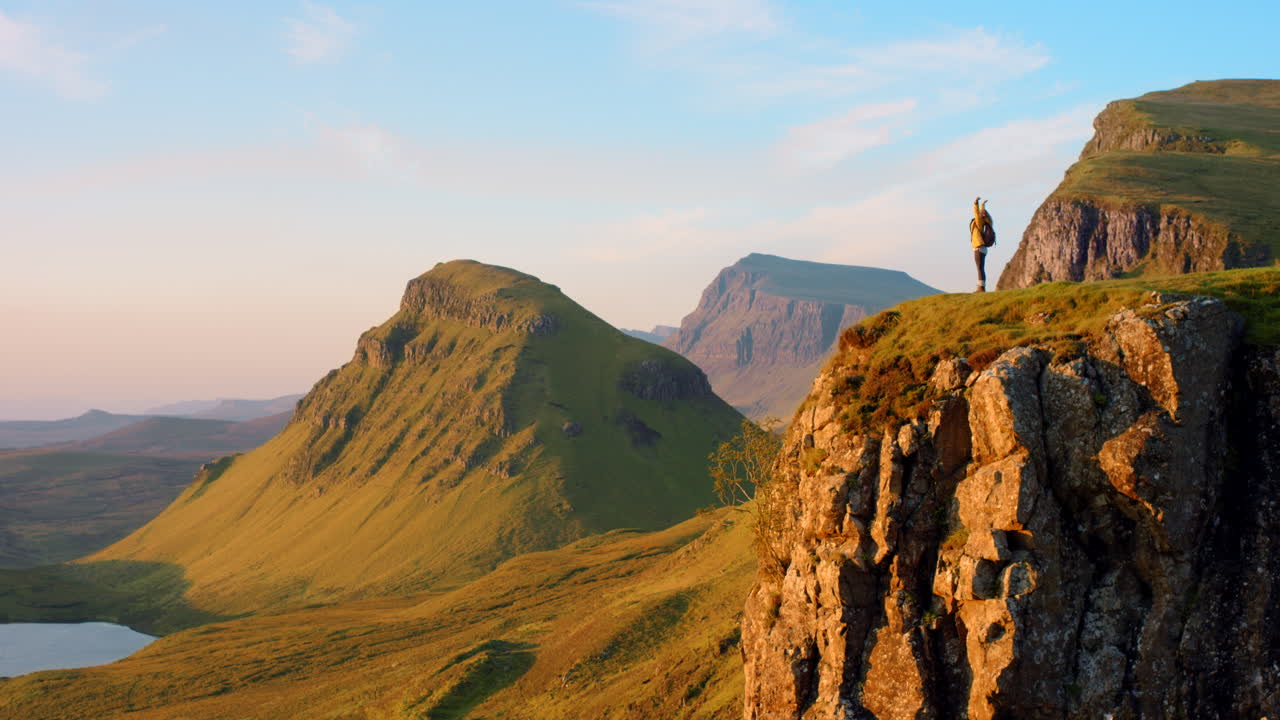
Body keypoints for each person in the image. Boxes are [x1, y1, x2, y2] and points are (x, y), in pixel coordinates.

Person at [970, 197, 995, 292]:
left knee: (980, 268)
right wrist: (982, 205)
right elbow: (980, 213)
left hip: (978, 247)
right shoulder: (986, 222)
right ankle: (981, 286)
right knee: (981, 268)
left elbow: (976, 214)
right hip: (983, 248)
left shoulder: (979, 222)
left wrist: (975, 203)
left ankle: (981, 288)